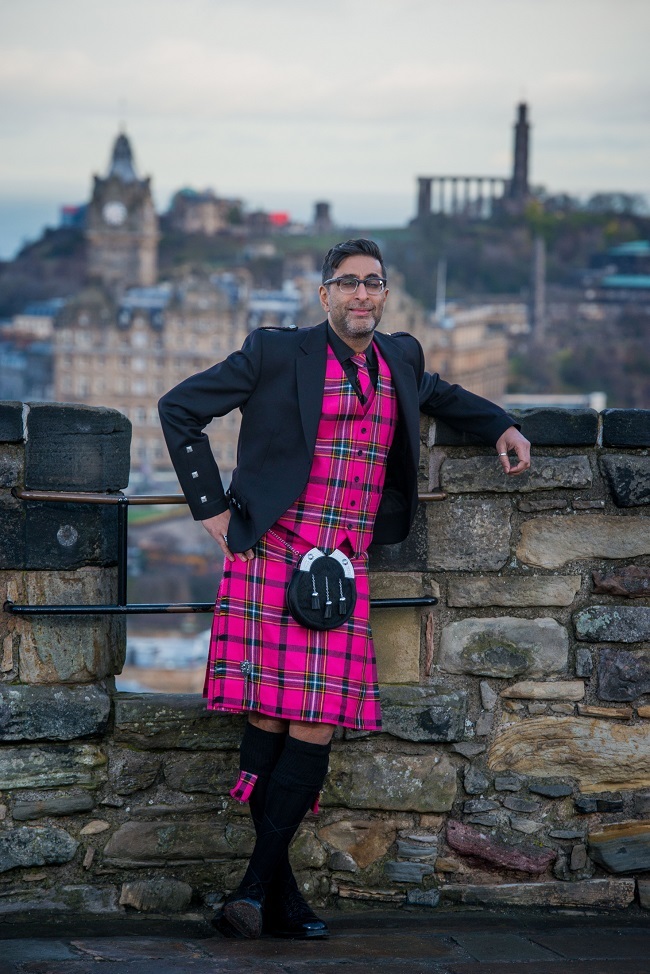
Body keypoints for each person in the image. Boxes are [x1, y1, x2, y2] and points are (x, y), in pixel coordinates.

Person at [158, 238, 530, 940]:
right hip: (271, 554)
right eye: (347, 283)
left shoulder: (400, 357)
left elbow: (443, 396)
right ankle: (276, 896)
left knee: (313, 722)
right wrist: (209, 509)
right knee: (270, 718)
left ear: (384, 294)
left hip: (341, 566)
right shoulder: (274, 353)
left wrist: (503, 424)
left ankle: (256, 888)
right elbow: (179, 409)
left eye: (373, 283)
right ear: (323, 294)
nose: (362, 295)